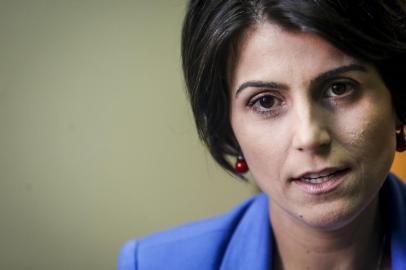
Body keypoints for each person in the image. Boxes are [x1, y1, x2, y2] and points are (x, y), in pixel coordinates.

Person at [118, 0, 406, 269]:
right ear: (229, 128)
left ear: (396, 101)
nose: (309, 137)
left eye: (340, 88)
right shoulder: (152, 263)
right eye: (265, 101)